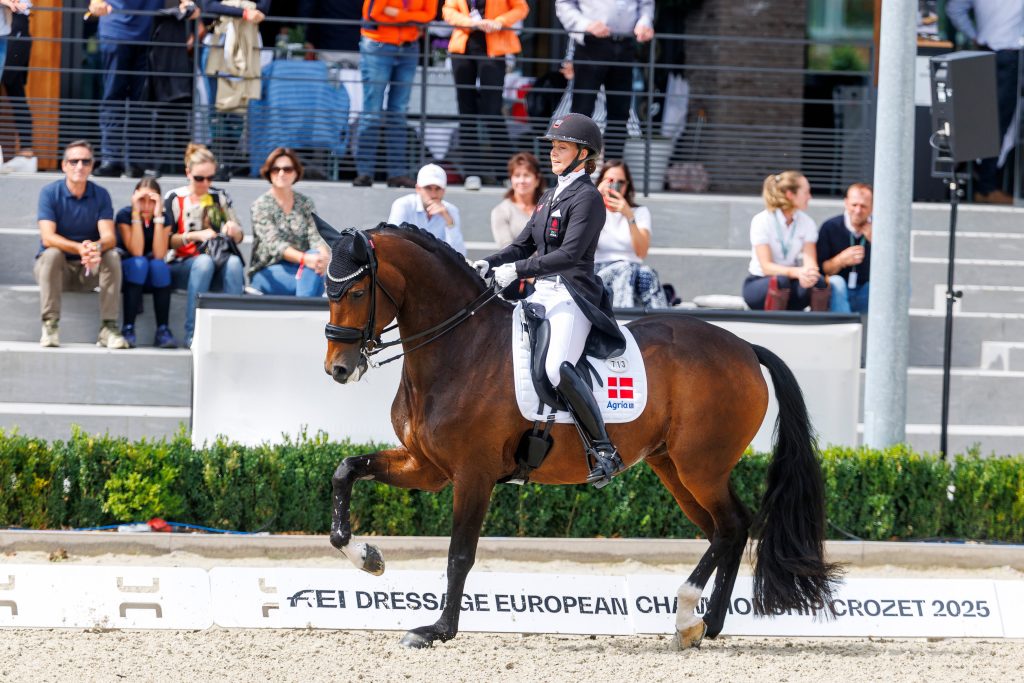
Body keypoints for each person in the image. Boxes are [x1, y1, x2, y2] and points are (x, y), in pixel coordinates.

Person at [473, 113, 626, 488]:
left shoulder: (588, 198)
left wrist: (519, 270)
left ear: (583, 153)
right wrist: (488, 262)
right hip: (542, 292)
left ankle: (604, 450)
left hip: (572, 294)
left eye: (562, 147)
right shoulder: (548, 195)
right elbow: (522, 243)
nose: (554, 152)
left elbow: (569, 255)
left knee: (557, 367)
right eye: (553, 147)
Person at [35, 140, 129, 349]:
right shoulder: (50, 193)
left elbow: (109, 237)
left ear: (92, 165)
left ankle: (108, 327)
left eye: (85, 161)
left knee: (112, 255)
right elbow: (47, 237)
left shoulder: (100, 194)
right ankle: (50, 325)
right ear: (64, 165)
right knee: (51, 253)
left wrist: (94, 247)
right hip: (57, 272)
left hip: (89, 269)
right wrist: (78, 248)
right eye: (74, 161)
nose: (80, 166)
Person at [164, 143, 244, 347]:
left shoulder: (220, 196)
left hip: (217, 260)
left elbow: (240, 236)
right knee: (204, 263)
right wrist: (194, 236)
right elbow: (166, 241)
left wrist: (234, 230)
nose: (205, 183)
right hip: (182, 263)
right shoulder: (175, 198)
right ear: (188, 173)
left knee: (234, 263)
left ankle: (234, 334)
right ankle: (193, 334)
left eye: (210, 178)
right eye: (200, 178)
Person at [352, 0, 438, 188]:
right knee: (372, 111)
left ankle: (397, 174)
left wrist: (396, 15)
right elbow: (373, 12)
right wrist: (411, 19)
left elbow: (428, 15)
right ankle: (364, 173)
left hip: (409, 46)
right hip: (378, 44)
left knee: (398, 112)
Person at [555, 0, 654, 161]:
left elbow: (646, 4)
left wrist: (644, 22)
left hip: (625, 43)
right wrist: (585, 24)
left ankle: (612, 172)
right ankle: (574, 171)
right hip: (591, 42)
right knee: (582, 110)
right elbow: (564, 4)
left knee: (621, 112)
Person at [442, 0, 530, 183]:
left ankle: (505, 172)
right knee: (467, 112)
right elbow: (448, 11)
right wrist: (472, 23)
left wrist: (499, 21)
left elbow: (521, 8)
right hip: (462, 50)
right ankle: (472, 173)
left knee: (492, 110)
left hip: (494, 49)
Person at [946, 0, 1023, 205]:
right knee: (998, 123)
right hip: (1009, 57)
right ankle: (986, 186)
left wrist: (975, 35)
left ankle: (973, 180)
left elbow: (954, 9)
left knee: (982, 119)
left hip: (984, 52)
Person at [87, 0, 165, 178]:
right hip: (115, 30)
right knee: (114, 96)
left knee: (142, 101)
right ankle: (112, 160)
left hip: (148, 34)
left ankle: (135, 162)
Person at [741, 171, 828, 311]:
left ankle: (819, 328)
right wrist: (798, 272)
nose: (810, 196)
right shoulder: (762, 220)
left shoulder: (807, 222)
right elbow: (766, 267)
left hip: (791, 282)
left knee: (818, 282)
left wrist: (809, 274)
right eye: (806, 192)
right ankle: (773, 328)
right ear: (790, 195)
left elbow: (810, 262)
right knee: (780, 281)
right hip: (760, 282)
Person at [248, 148, 329, 297]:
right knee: (315, 280)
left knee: (314, 265)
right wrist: (306, 259)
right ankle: (305, 312)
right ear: (268, 173)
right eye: (275, 169)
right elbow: (275, 245)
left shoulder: (305, 203)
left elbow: (316, 235)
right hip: (270, 269)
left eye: (287, 169)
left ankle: (302, 311)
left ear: (296, 172)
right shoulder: (260, 205)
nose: (281, 173)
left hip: (305, 266)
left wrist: (322, 258)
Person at [593, 159, 668, 309]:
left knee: (647, 274)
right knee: (626, 270)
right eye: (610, 180)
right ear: (601, 182)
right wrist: (594, 199)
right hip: (600, 271)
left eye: (621, 182)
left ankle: (661, 322)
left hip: (633, 269)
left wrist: (628, 215)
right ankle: (624, 319)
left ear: (628, 186)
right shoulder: (592, 210)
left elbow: (641, 252)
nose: (615, 186)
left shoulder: (639, 212)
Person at [115, 177, 178, 347]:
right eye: (141, 200)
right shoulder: (125, 215)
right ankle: (128, 328)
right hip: (128, 275)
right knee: (140, 263)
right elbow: (136, 251)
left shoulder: (164, 218)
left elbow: (159, 254)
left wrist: (158, 217)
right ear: (134, 198)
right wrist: (136, 215)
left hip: (152, 276)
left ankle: (163, 330)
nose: (147, 205)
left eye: (152, 201)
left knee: (159, 266)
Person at [817, 183, 873, 314]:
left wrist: (876, 241)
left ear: (872, 207)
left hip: (865, 292)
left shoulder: (880, 228)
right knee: (837, 282)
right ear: (846, 203)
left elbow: (893, 271)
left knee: (901, 285)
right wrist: (841, 260)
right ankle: (845, 326)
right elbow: (821, 270)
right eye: (854, 205)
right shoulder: (830, 227)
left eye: (863, 206)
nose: (858, 211)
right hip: (838, 293)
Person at [388, 163, 466, 255]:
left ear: (444, 190)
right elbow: (392, 241)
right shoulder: (403, 205)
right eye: (428, 188)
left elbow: (460, 254)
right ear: (418, 189)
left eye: (438, 188)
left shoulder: (451, 210)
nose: (433, 194)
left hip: (438, 266)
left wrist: (449, 221)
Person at [0, 1, 34, 172]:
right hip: (11, 27)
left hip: (15, 27)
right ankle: (26, 151)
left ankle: (27, 152)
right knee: (15, 90)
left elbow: (17, 4)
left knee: (14, 88)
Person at [491, 151, 545, 247]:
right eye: (517, 175)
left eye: (526, 175)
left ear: (537, 180)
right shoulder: (501, 211)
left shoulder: (548, 207)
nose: (521, 181)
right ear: (511, 179)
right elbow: (506, 249)